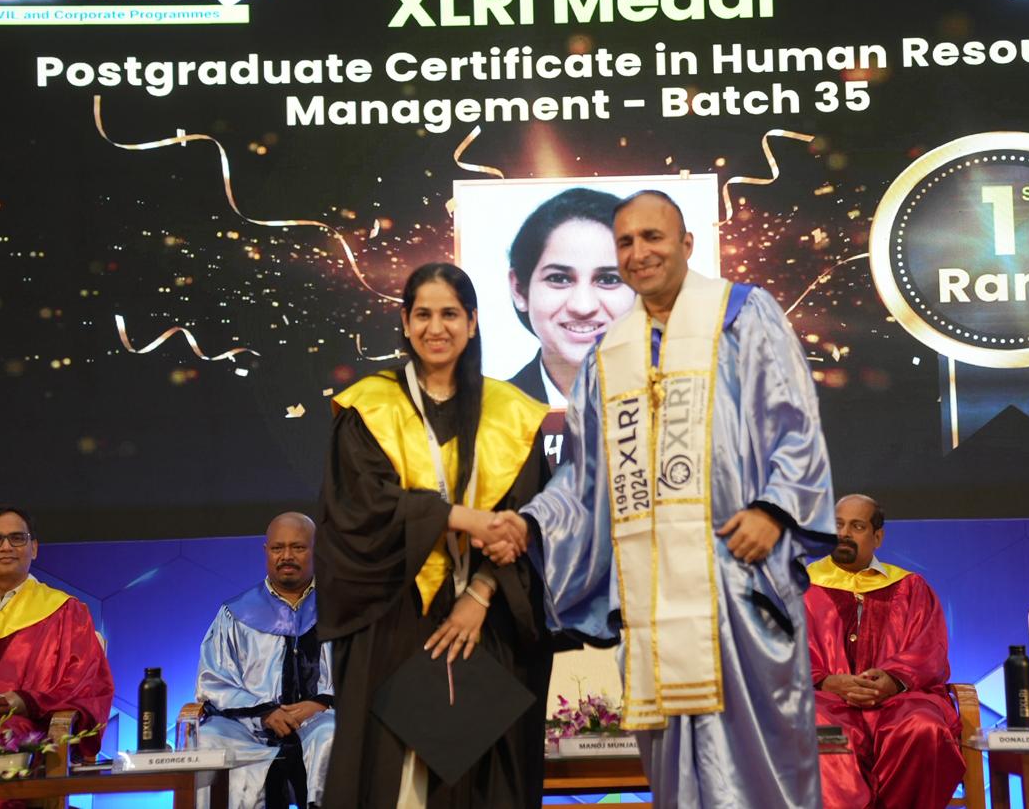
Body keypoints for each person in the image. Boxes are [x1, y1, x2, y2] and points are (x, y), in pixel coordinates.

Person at [510, 190, 837, 807]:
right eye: (626, 242)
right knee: (676, 772)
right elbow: (583, 481)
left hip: (740, 583)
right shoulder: (609, 356)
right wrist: (530, 525)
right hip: (652, 601)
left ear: (686, 243)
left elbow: (795, 424)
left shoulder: (743, 316)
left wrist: (775, 509)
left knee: (764, 764)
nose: (639, 252)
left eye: (652, 237)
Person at [315, 262, 552, 808]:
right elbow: (360, 508)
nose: (436, 327)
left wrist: (480, 594)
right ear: (405, 321)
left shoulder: (512, 414)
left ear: (472, 322)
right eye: (423, 314)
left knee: (482, 777)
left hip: (485, 623)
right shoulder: (368, 407)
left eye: (450, 314)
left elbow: (528, 521)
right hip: (395, 615)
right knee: (395, 778)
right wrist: (460, 518)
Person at [805, 494, 965, 809]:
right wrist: (827, 681)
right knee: (820, 732)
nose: (844, 534)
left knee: (924, 728)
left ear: (877, 536)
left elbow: (929, 649)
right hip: (823, 700)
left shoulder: (910, 587)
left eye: (857, 526)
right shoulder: (799, 586)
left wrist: (892, 680)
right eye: (837, 525)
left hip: (898, 700)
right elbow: (776, 652)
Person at [0, 506, 112, 763]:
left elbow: (86, 687)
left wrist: (28, 702)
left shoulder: (66, 613)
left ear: (34, 548)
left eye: (17, 538)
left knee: (6, 732)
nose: (6, 547)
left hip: (30, 742)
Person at [195, 512, 334, 809]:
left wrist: (322, 703)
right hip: (249, 727)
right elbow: (214, 680)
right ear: (266, 551)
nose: (287, 556)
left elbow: (360, 674)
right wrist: (265, 712)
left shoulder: (340, 610)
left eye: (298, 547)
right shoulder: (236, 613)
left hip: (319, 720)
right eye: (277, 548)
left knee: (331, 734)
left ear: (317, 549)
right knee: (208, 739)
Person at [507, 187, 635, 407]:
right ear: (519, 289)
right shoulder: (487, 415)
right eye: (559, 278)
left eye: (608, 279)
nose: (583, 306)